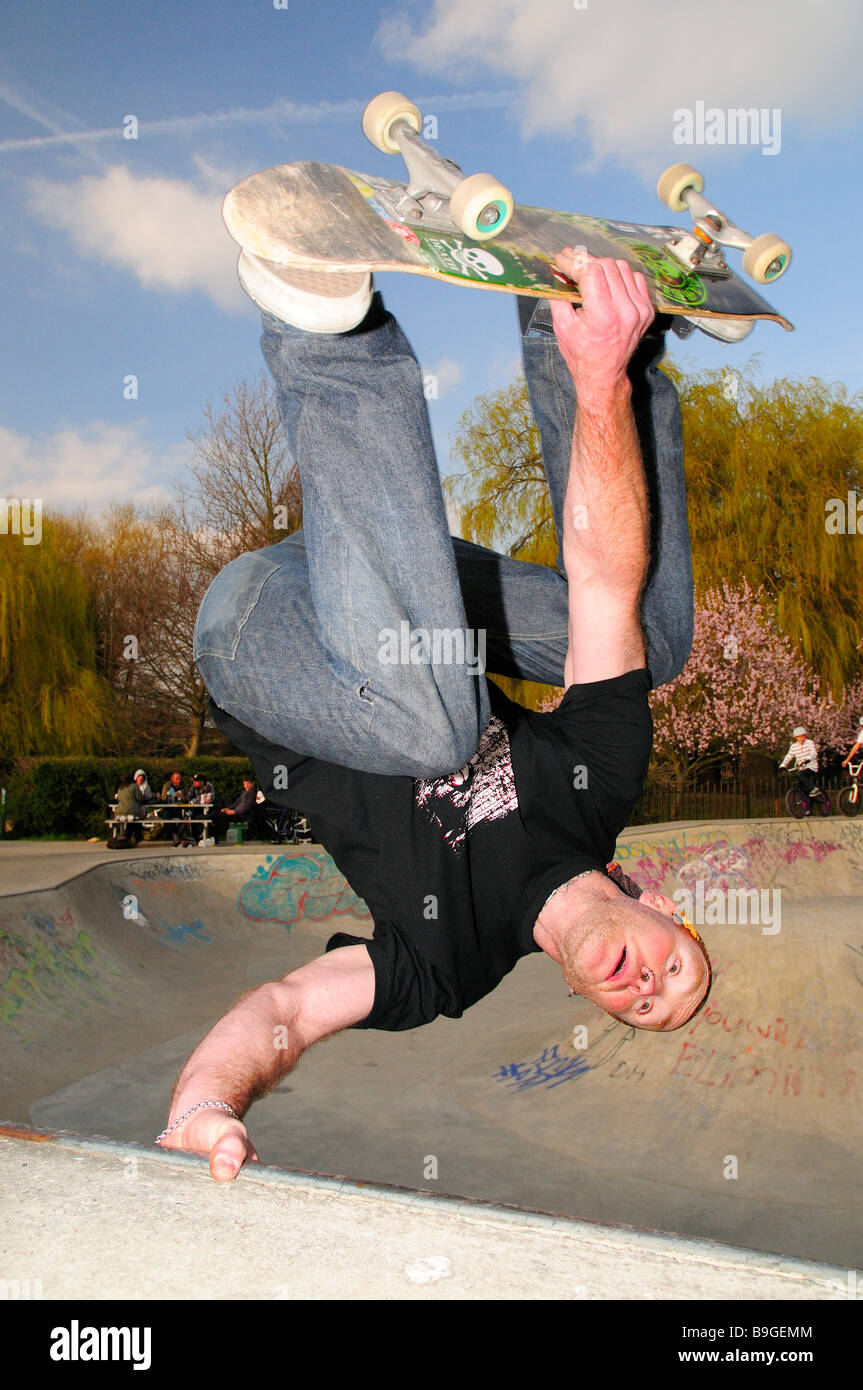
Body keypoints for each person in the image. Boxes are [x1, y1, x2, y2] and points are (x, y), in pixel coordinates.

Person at [158, 241, 710, 1181]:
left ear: (593, 1000)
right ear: (657, 904)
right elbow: (605, 579)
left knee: (438, 726)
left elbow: (288, 1013)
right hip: (385, 571)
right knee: (644, 638)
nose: (643, 987)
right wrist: (602, 381)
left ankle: (328, 338)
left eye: (642, 1008)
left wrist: (204, 1104)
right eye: (672, 972)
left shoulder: (443, 968)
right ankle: (587, 318)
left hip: (261, 635)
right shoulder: (602, 781)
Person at [779, 726, 821, 805]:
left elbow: (813, 753)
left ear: (805, 736)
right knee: (801, 786)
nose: (800, 738)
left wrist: (808, 759)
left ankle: (814, 789)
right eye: (798, 737)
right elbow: (789, 756)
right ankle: (808, 808)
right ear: (796, 738)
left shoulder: (809, 743)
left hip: (811, 766)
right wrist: (783, 765)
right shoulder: (794, 746)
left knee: (800, 774)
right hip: (801, 768)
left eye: (802, 736)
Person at [213, 775, 258, 842]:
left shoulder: (252, 793)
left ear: (252, 783)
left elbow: (247, 807)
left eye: (248, 784)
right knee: (217, 815)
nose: (246, 786)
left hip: (242, 816)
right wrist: (227, 808)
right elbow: (236, 803)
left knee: (218, 817)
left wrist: (234, 812)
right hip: (237, 813)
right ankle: (215, 836)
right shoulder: (244, 792)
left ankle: (216, 837)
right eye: (245, 784)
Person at [112, 773, 146, 847]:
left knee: (125, 820)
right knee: (138, 819)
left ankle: (122, 836)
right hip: (132, 812)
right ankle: (134, 838)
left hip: (119, 813)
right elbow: (139, 798)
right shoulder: (134, 786)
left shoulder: (120, 788)